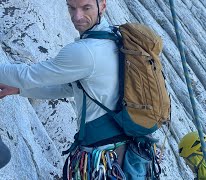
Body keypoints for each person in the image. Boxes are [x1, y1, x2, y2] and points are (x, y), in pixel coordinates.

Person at [0, 0, 130, 179]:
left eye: (86, 8)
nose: (77, 17)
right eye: (71, 7)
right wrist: (19, 91)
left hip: (101, 155)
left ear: (103, 6)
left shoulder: (85, 51)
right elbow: (69, 88)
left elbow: (28, 75)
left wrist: (20, 84)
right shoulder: (115, 38)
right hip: (124, 148)